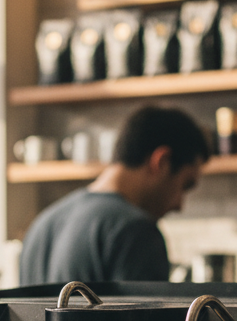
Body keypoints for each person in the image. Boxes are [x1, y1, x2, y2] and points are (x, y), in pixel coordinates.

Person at [19, 106, 210, 285]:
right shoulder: (136, 232)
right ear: (162, 162)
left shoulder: (42, 225)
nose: (179, 205)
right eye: (185, 185)